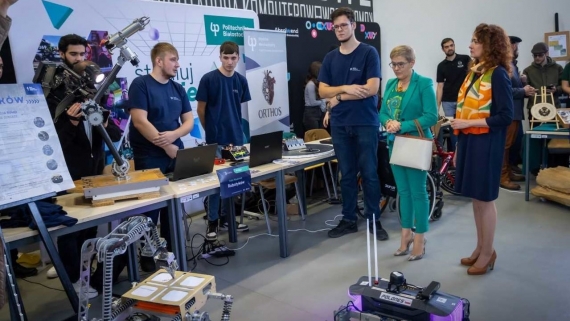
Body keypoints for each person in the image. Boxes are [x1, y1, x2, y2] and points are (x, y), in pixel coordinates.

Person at [44, 34, 122, 297]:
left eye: (82, 54)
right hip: (68, 172)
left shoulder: (94, 91)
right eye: (73, 55)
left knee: (91, 225)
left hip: (95, 168)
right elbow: (51, 143)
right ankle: (75, 281)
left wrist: (107, 124)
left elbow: (110, 132)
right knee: (70, 229)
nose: (79, 60)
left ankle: (86, 270)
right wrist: (72, 123)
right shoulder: (52, 95)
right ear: (62, 54)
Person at [318, 7, 388, 240]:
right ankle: (348, 219)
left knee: (369, 173)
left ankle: (373, 219)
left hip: (365, 122)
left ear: (353, 25)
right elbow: (321, 91)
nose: (339, 30)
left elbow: (371, 89)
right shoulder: (330, 58)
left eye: (343, 25)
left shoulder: (369, 53)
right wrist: (346, 88)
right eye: (335, 26)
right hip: (340, 124)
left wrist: (337, 97)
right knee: (346, 174)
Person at [451, 23, 513, 275]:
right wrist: (458, 144)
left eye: (476, 40)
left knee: (485, 200)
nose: (470, 44)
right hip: (468, 140)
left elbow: (505, 116)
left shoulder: (498, 74)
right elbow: (463, 110)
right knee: (476, 199)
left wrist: (469, 123)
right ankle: (481, 247)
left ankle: (488, 252)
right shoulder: (474, 72)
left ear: (490, 45)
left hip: (487, 143)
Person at [128, 42, 194, 269]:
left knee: (173, 207)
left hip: (176, 153)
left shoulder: (178, 89)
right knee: (150, 212)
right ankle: (147, 257)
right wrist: (167, 146)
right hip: (150, 156)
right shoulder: (141, 84)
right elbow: (140, 121)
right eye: (173, 60)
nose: (177, 64)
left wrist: (175, 135)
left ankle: (172, 253)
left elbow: (189, 121)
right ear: (159, 61)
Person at [379, 46, 438, 261]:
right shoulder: (391, 84)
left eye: (400, 64)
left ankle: (420, 238)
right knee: (402, 192)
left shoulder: (423, 83)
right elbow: (383, 111)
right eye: (393, 64)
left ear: (412, 63)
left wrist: (402, 125)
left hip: (415, 143)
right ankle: (406, 234)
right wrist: (388, 122)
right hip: (395, 143)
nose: (396, 68)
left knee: (418, 192)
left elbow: (431, 116)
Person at [196, 41, 250, 240]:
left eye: (233, 57)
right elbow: (201, 109)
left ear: (237, 58)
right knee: (216, 186)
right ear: (220, 57)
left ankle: (228, 218)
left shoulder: (241, 81)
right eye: (226, 57)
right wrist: (210, 130)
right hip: (216, 140)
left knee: (234, 182)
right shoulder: (209, 79)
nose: (229, 61)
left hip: (236, 139)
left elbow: (238, 109)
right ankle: (212, 222)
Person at [502, 36, 534, 190]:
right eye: (516, 46)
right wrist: (523, 90)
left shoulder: (512, 65)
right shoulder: (505, 65)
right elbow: (504, 90)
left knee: (510, 144)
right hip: (510, 111)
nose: (518, 49)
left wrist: (522, 84)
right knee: (505, 146)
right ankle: (503, 177)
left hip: (516, 111)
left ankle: (508, 172)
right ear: (512, 46)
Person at [436, 38, 471, 151]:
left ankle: (465, 152)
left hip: (464, 100)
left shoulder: (465, 59)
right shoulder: (441, 66)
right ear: (443, 49)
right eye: (446, 47)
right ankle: (455, 154)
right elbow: (440, 86)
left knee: (465, 126)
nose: (450, 48)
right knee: (453, 128)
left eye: (451, 45)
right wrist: (437, 106)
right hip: (448, 101)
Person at [303, 61, 326, 131]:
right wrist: (324, 100)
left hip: (319, 112)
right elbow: (313, 102)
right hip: (311, 113)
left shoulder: (318, 83)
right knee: (314, 135)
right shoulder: (311, 85)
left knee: (321, 134)